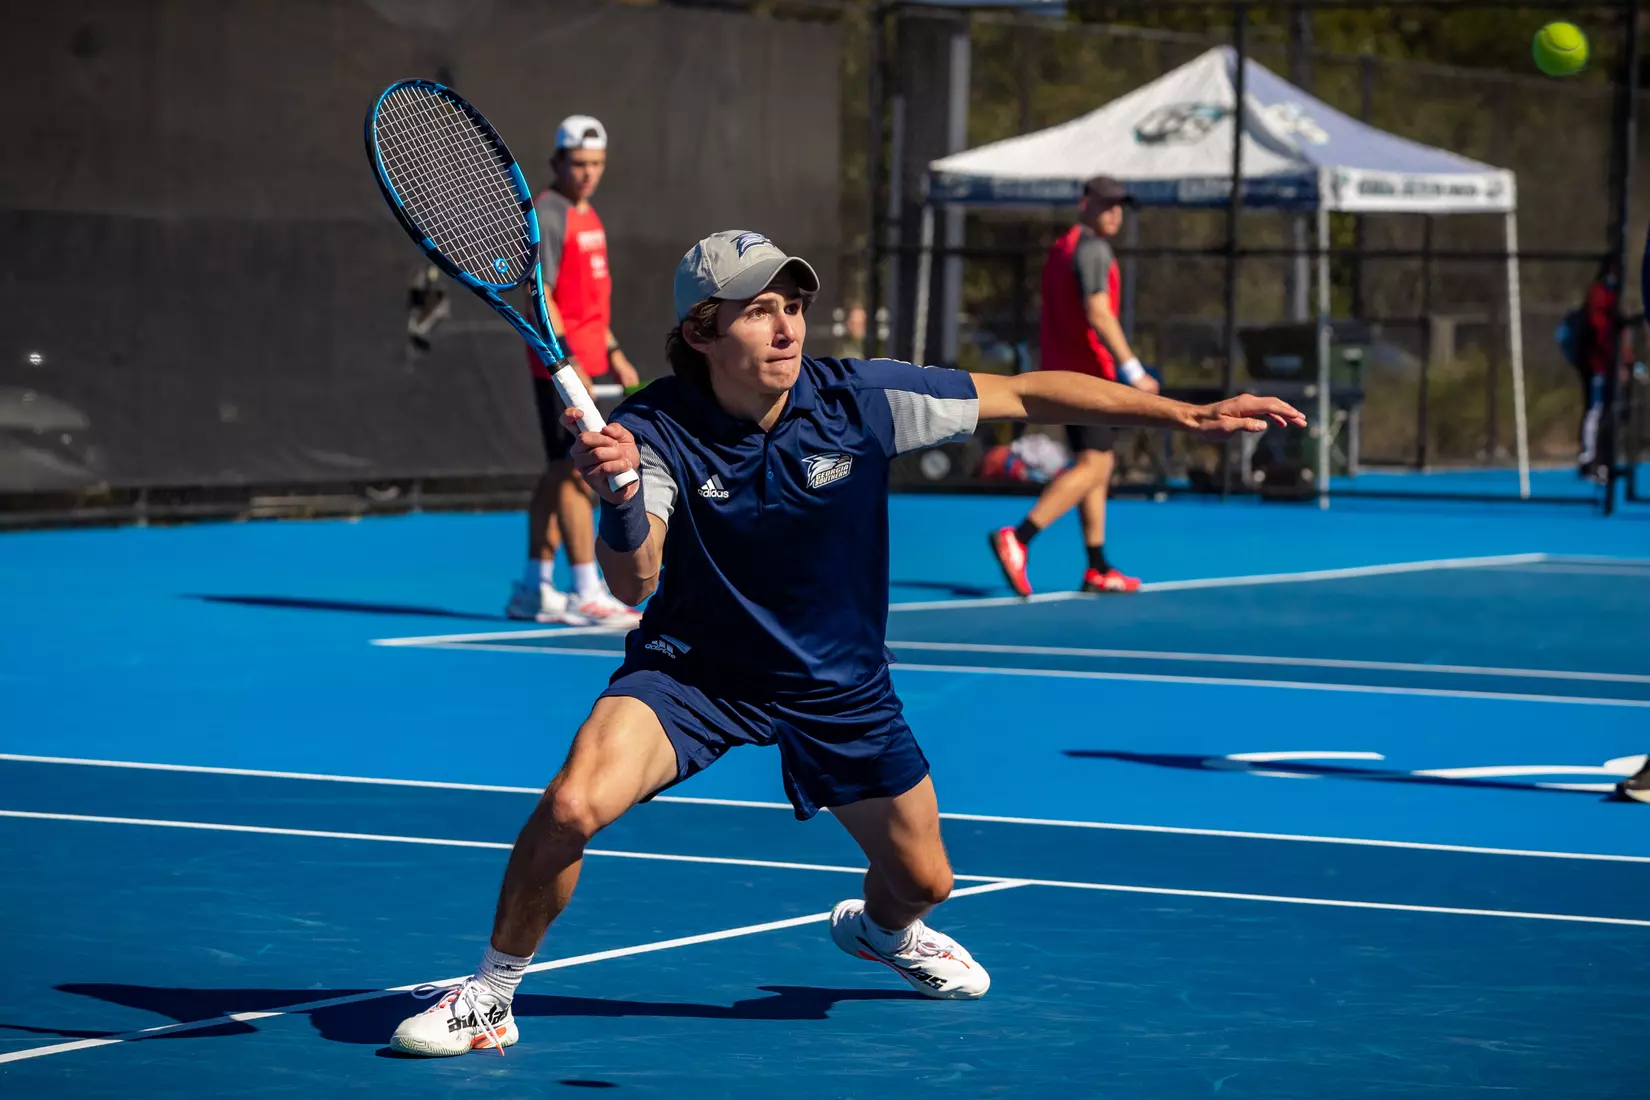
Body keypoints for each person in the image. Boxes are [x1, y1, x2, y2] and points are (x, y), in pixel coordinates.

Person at [389, 230, 1304, 1056]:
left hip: (839, 685)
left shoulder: (862, 399)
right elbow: (635, 585)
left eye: (794, 306)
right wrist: (624, 500)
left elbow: (1023, 392)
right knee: (570, 807)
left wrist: (1187, 414)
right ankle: (491, 993)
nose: (787, 328)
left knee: (924, 880)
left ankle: (881, 932)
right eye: (759, 311)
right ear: (703, 333)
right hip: (696, 674)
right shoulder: (652, 428)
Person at [989, 176, 1159, 597]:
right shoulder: (1093, 249)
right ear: (1085, 204)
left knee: (1098, 464)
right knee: (1095, 466)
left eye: (1120, 206)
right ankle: (1020, 537)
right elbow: (1099, 313)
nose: (1115, 213)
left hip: (1066, 374)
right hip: (1087, 379)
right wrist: (1134, 370)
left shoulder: (1063, 248)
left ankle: (1097, 567)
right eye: (1106, 205)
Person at [505, 114, 642, 627]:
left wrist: (614, 349)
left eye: (596, 165)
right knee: (575, 474)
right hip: (560, 368)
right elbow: (540, 296)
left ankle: (534, 588)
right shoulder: (551, 215)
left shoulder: (589, 214)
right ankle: (586, 588)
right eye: (579, 164)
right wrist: (568, 359)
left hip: (586, 362)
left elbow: (587, 305)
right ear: (558, 162)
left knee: (557, 471)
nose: (588, 173)